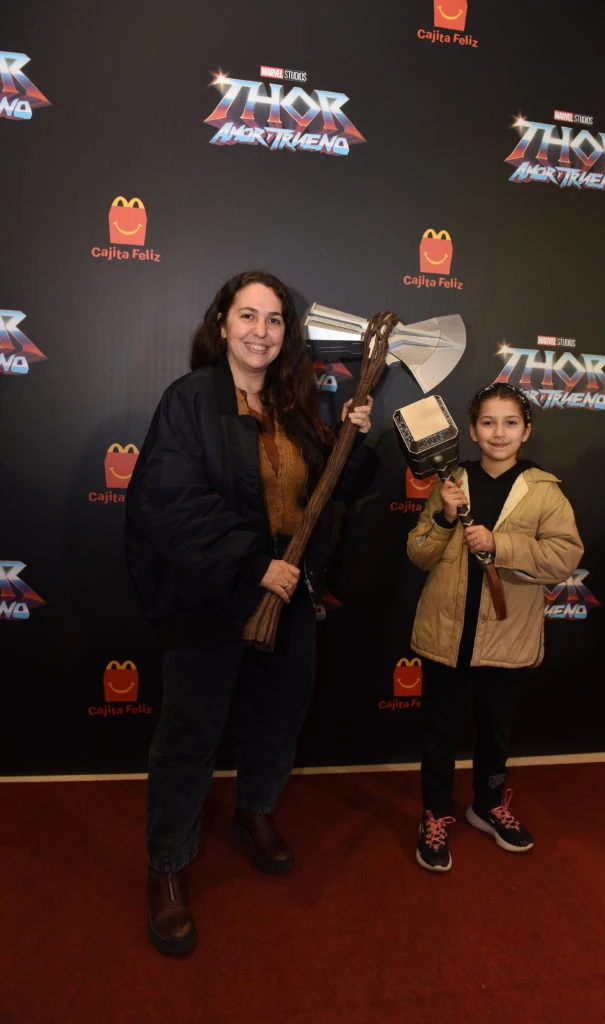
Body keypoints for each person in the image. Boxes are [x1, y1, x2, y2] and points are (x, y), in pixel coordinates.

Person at [125, 270, 375, 954]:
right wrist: (251, 562)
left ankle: (255, 812)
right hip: (211, 596)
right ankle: (167, 865)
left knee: (276, 719)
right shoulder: (189, 400)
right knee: (189, 737)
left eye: (274, 319)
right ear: (221, 324)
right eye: (247, 316)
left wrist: (352, 441)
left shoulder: (297, 406)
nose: (261, 331)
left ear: (286, 333)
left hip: (290, 594)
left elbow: (336, 490)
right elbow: (169, 500)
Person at [406, 382, 583, 873]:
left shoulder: (544, 490)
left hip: (505, 637)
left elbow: (565, 557)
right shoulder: (451, 482)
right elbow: (418, 553)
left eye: (510, 423)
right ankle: (434, 815)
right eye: (487, 422)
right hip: (445, 633)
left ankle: (486, 806)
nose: (498, 432)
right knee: (439, 733)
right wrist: (445, 518)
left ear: (526, 431)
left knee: (495, 731)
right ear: (471, 430)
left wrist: (500, 544)